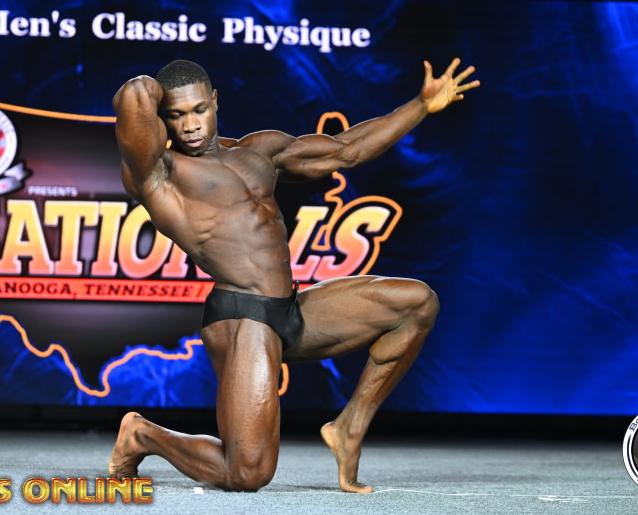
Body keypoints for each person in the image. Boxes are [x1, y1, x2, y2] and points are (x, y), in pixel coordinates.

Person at [108, 57, 479, 493]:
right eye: (176, 114)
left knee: (417, 303)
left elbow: (347, 150)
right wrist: (157, 92)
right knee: (247, 473)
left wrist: (420, 105)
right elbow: (135, 94)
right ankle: (142, 435)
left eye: (198, 110)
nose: (189, 125)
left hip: (290, 309)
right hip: (241, 316)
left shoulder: (258, 151)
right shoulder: (159, 173)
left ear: (215, 101)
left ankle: (348, 428)